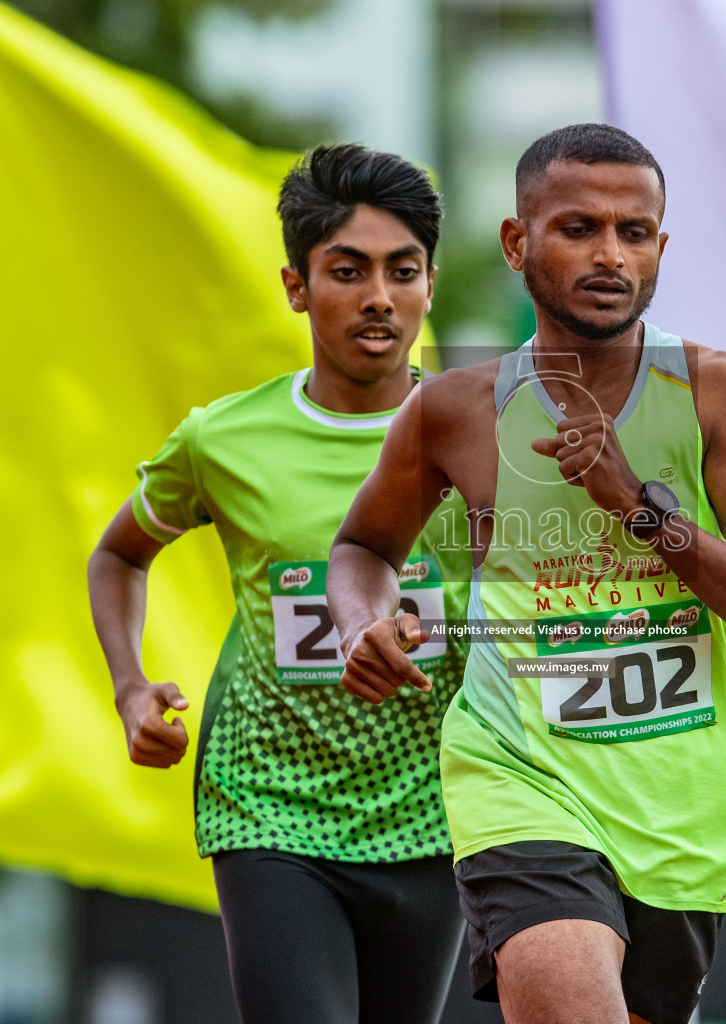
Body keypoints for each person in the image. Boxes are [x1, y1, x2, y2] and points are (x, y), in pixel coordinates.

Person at [327, 123, 726, 1024]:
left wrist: (639, 505)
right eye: (579, 228)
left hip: (676, 807)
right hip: (517, 778)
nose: (610, 255)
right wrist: (367, 614)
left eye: (634, 233)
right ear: (518, 243)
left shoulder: (714, 394)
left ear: (661, 248)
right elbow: (363, 546)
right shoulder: (455, 411)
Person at [86, 143, 470, 1024]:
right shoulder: (222, 440)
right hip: (269, 805)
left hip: (433, 807)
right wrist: (130, 685)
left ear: (430, 285)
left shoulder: (481, 436)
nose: (379, 296)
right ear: (297, 287)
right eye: (348, 270)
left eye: (402, 271)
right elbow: (119, 555)